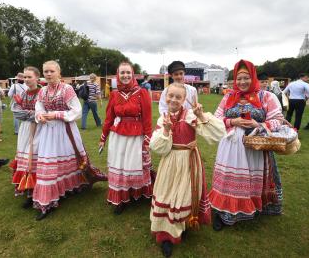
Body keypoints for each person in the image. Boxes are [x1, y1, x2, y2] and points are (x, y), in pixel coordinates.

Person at [149, 83, 225, 257]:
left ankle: (182, 224)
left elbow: (217, 134)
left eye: (178, 97)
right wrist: (167, 129)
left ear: (184, 100)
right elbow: (158, 148)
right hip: (169, 162)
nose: (174, 100)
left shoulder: (190, 115)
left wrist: (201, 116)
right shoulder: (163, 118)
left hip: (188, 161)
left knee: (184, 194)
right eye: (171, 96)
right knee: (166, 194)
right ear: (165, 96)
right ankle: (166, 235)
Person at [209, 59, 284, 230]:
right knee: (230, 180)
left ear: (253, 77)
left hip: (255, 147)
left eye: (246, 78)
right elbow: (216, 119)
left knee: (251, 179)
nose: (242, 82)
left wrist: (258, 125)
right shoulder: (229, 96)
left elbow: (278, 121)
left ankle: (251, 209)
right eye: (239, 78)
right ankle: (225, 212)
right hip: (231, 147)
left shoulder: (266, 96)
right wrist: (232, 121)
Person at [33, 60, 105, 220]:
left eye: (52, 71)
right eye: (46, 72)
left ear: (59, 72)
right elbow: (38, 107)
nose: (49, 74)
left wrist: (56, 115)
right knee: (48, 164)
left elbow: (77, 111)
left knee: (70, 160)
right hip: (48, 132)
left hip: (65, 130)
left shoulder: (67, 89)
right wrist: (40, 115)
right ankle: (47, 201)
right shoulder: (42, 91)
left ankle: (72, 186)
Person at [99, 62, 153, 214]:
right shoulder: (115, 94)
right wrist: (103, 137)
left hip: (136, 136)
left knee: (134, 165)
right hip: (118, 136)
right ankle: (121, 198)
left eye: (128, 72)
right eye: (122, 73)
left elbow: (147, 119)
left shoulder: (141, 92)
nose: (125, 76)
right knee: (120, 166)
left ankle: (137, 193)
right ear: (118, 75)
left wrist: (148, 139)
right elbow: (109, 118)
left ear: (133, 74)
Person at [9, 66, 42, 208]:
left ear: (37, 78)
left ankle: (38, 190)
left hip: (41, 129)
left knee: (36, 156)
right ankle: (29, 189)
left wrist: (30, 113)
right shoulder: (23, 93)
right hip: (25, 129)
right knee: (25, 156)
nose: (27, 80)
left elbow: (43, 111)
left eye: (30, 77)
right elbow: (16, 111)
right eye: (25, 77)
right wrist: (32, 114)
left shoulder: (42, 92)